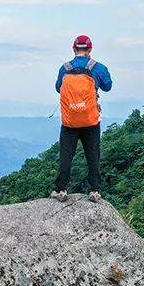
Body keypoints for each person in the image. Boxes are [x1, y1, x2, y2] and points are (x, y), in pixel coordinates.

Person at [50, 35, 112, 203]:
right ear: (90, 50)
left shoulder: (65, 68)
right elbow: (108, 86)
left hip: (70, 121)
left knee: (66, 155)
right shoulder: (97, 68)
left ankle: (61, 189)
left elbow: (58, 88)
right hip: (90, 120)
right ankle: (94, 190)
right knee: (92, 155)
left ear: (74, 49)